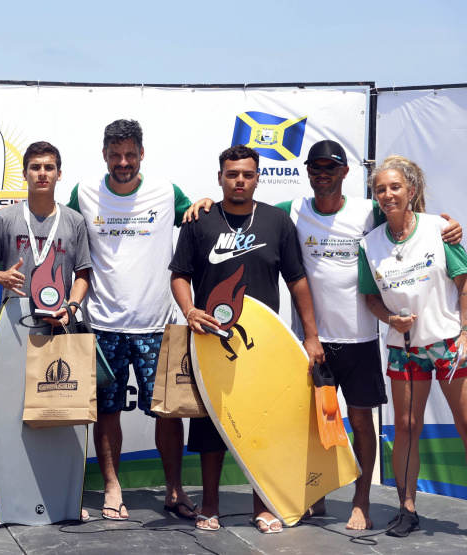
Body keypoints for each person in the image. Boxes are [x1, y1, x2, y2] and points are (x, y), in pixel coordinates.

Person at [184, 139, 461, 530]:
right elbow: (244, 210)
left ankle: (361, 501)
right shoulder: (292, 210)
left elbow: (407, 221)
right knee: (308, 427)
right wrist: (205, 204)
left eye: (331, 167)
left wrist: (446, 226)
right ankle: (313, 497)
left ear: (345, 172)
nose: (322, 174)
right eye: (315, 167)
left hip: (360, 340)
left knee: (361, 423)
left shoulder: (369, 211)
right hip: (309, 343)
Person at [169, 144, 324, 534]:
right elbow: (179, 275)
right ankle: (210, 505)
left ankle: (264, 505)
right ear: (220, 177)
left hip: (262, 346)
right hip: (210, 342)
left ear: (257, 178)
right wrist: (190, 310)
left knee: (263, 425)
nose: (239, 181)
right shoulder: (199, 221)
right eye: (232, 174)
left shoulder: (277, 222)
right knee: (210, 429)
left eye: (247, 174)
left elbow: (297, 281)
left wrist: (311, 336)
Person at [358, 155, 467, 546]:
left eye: (395, 187)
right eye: (380, 189)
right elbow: (370, 299)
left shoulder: (440, 228)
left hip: (451, 342)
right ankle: (407, 509)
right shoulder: (370, 244)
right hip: (405, 349)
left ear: (411, 190)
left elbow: (465, 282)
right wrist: (391, 319)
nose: (388, 194)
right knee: (406, 427)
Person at [65, 119, 197, 521]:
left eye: (130, 154)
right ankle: (112, 487)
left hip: (158, 325)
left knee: (168, 412)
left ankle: (174, 490)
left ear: (142, 154)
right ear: (104, 155)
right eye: (115, 155)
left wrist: (205, 204)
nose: (123, 162)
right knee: (108, 411)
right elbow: (63, 236)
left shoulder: (167, 191)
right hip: (103, 324)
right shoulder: (84, 193)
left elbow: (197, 221)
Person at [0, 140, 92, 524]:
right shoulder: (6, 218)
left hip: (59, 323)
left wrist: (71, 307)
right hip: (14, 323)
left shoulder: (74, 221)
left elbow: (83, 274)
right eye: (35, 167)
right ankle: (0, 498)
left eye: (49, 167)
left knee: (61, 410)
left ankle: (63, 498)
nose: (42, 173)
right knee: (9, 414)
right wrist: (0, 276)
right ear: (25, 173)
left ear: (59, 173)